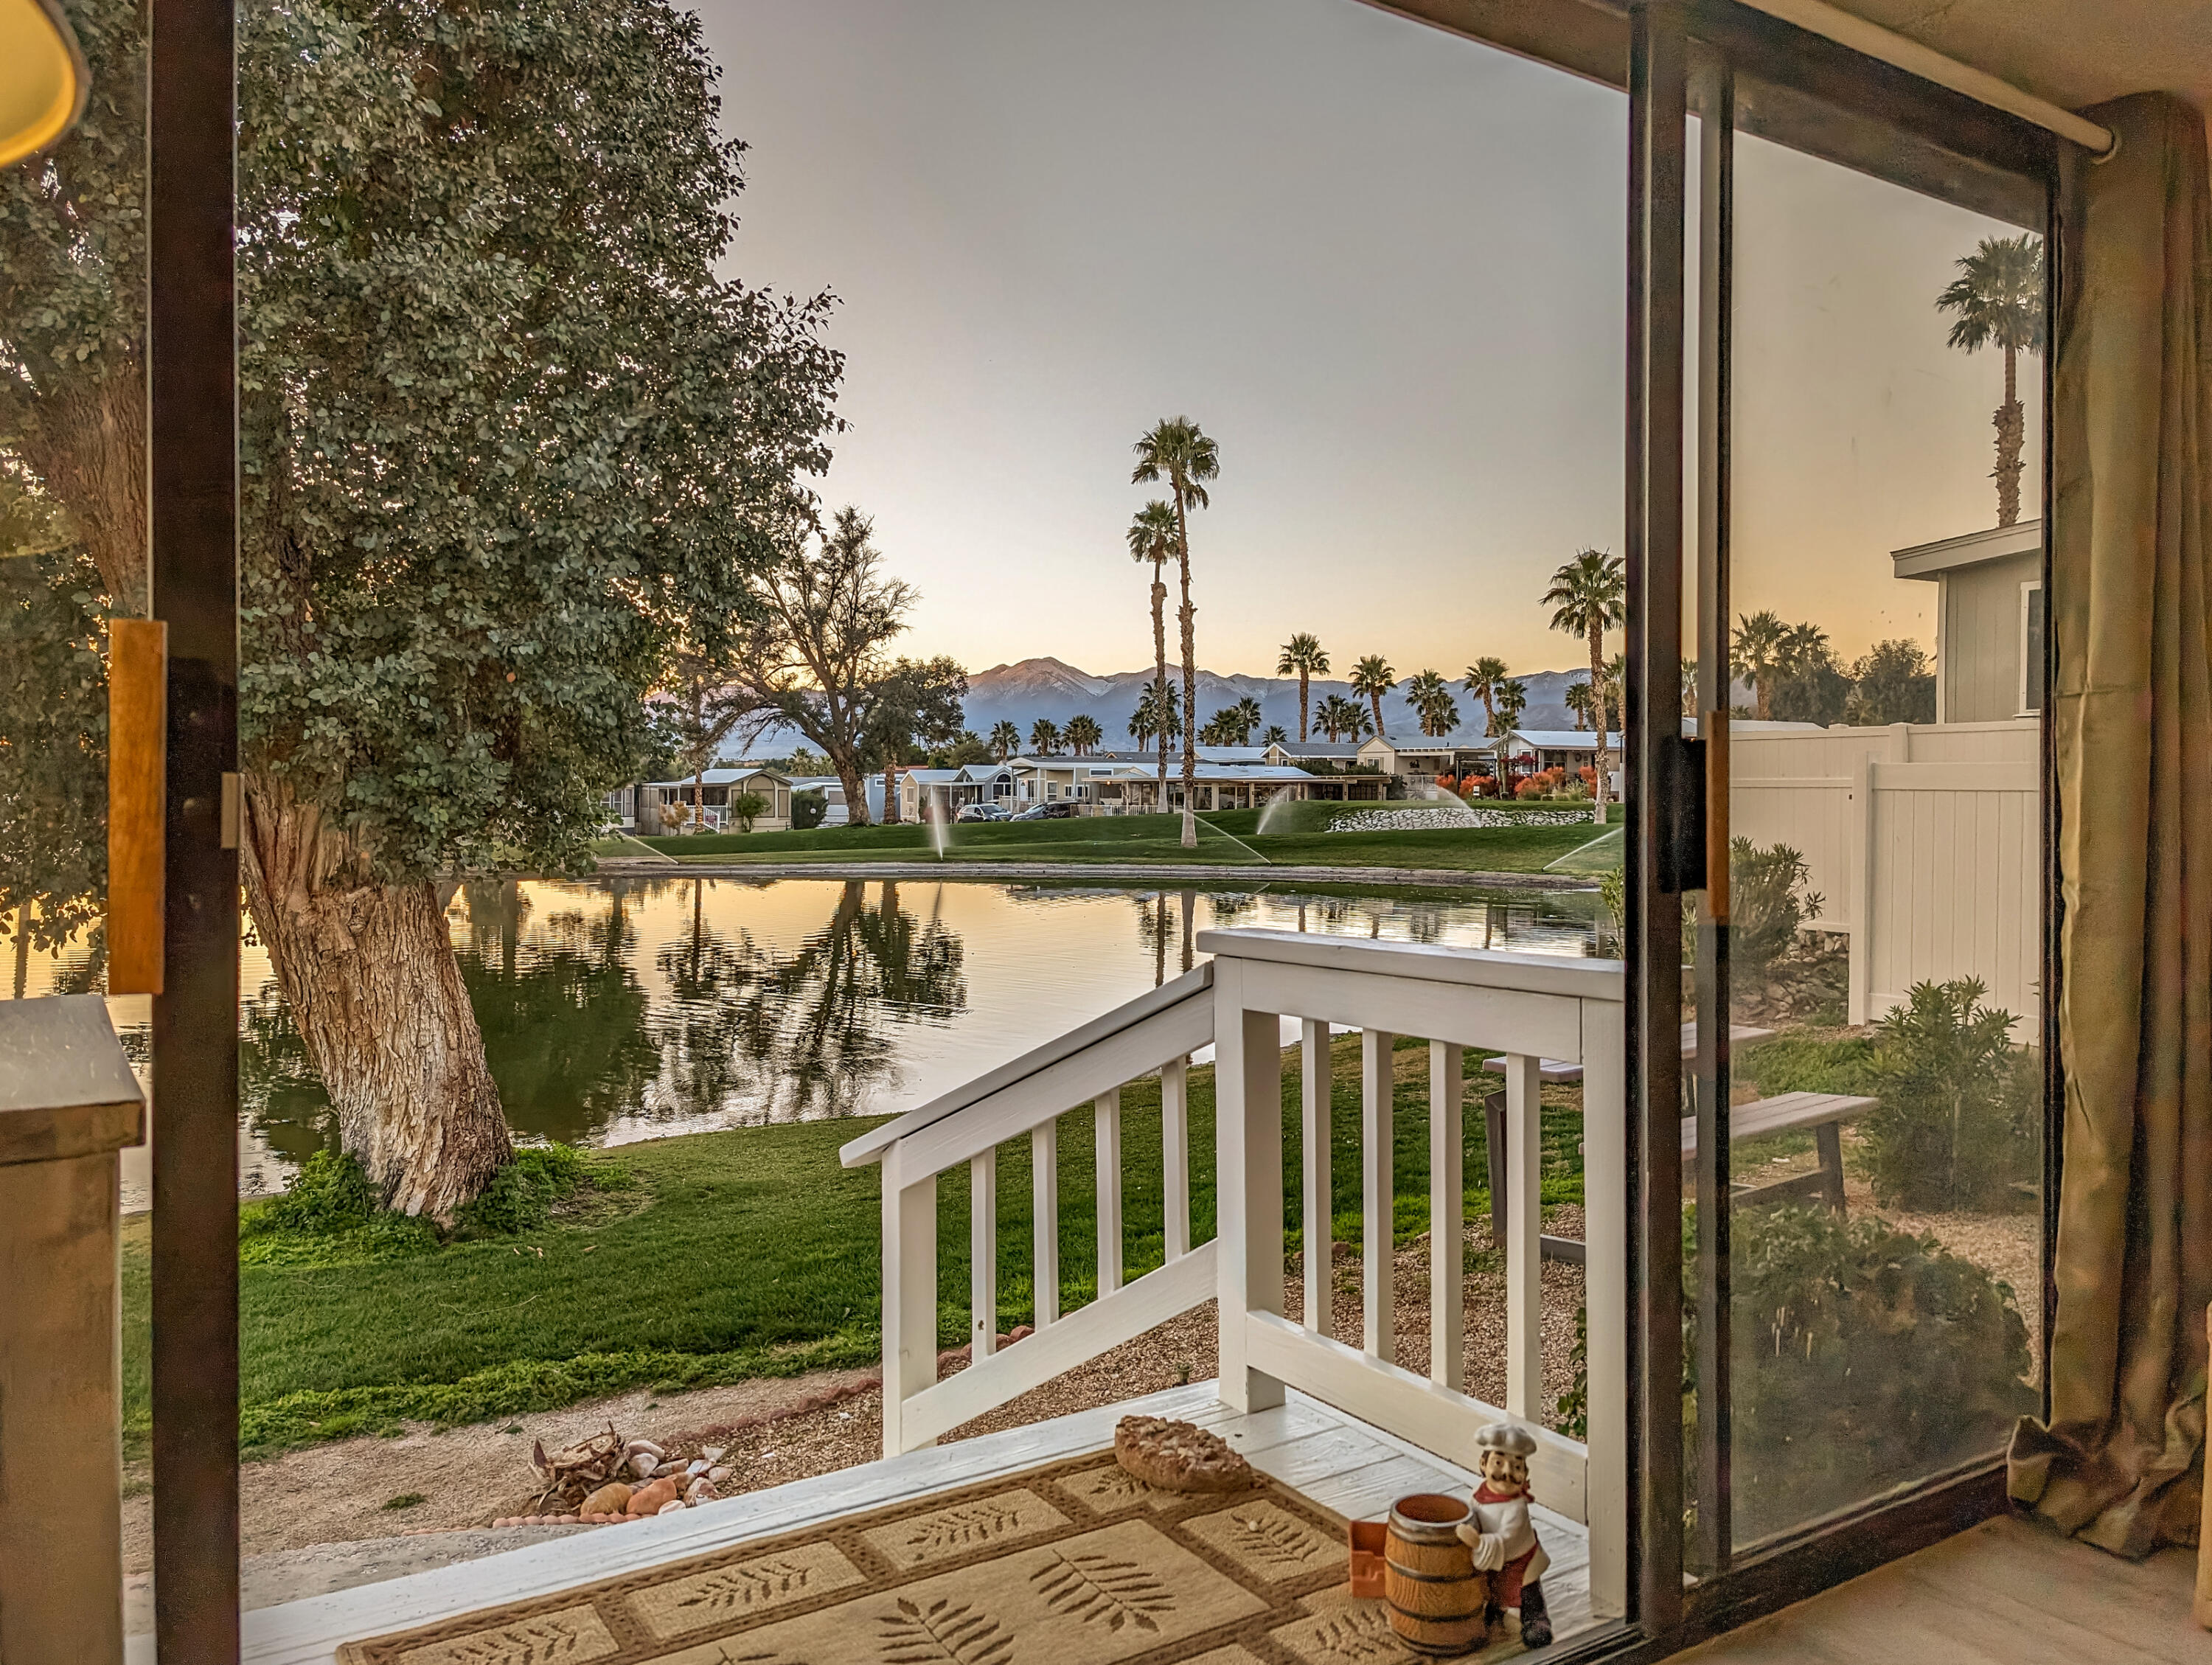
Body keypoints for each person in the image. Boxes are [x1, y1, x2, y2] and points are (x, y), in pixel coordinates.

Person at [1458, 1421, 1553, 1647]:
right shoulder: (1479, 1494)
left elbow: (1509, 1538)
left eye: (1516, 1467)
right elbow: (1473, 1515)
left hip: (1520, 1561)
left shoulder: (1516, 1508)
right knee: (1493, 1590)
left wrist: (1479, 1542)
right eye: (1498, 1463)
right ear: (1483, 1464)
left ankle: (1536, 1621)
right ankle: (1493, 1612)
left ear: (1525, 1473)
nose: (1507, 1473)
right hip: (1493, 1562)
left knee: (1529, 1593)